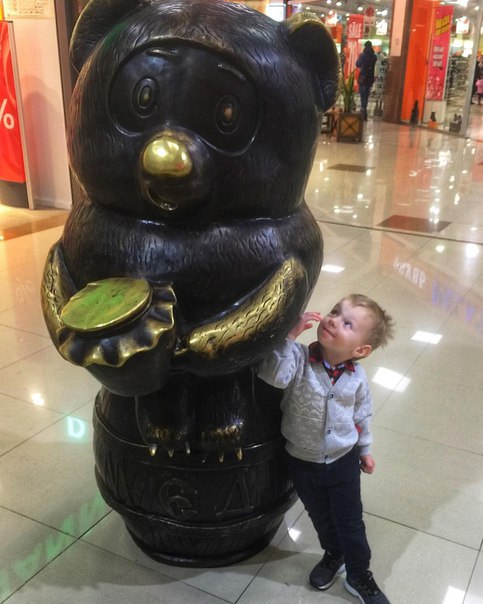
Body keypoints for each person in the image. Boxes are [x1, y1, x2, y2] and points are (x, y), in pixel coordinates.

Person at [258, 294, 395, 604]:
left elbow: (361, 415)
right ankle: (334, 553)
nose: (333, 320)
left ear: (360, 350)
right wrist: (288, 337)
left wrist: (365, 450)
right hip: (301, 460)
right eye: (335, 311)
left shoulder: (357, 379)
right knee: (320, 516)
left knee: (350, 522)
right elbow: (273, 376)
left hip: (343, 460)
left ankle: (359, 574)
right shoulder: (297, 358)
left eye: (347, 323)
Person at [356, 41, 377, 120]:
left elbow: (357, 64)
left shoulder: (363, 55)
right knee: (366, 95)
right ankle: (364, 109)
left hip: (363, 77)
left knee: (362, 94)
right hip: (370, 78)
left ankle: (363, 109)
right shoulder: (374, 57)